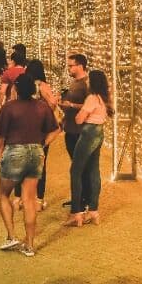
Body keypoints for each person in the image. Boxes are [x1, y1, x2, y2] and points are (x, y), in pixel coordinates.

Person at [0, 73, 59, 257]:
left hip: (15, 151)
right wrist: (42, 144)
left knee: (3, 193)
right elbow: (56, 129)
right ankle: (29, 244)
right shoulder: (42, 108)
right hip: (36, 152)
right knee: (29, 199)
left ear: (17, 89)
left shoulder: (9, 108)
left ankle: (11, 235)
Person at [63, 69, 113, 227]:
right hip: (99, 132)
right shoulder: (104, 98)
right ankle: (93, 210)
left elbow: (79, 119)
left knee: (75, 171)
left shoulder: (91, 98)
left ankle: (76, 212)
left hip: (88, 132)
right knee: (93, 170)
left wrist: (75, 112)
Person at [14, 59, 59, 211]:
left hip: (21, 126)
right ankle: (38, 199)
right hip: (40, 127)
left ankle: (18, 197)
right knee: (40, 163)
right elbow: (52, 103)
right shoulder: (42, 86)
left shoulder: (21, 84)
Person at [57, 53, 89, 209]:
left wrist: (71, 106)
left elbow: (92, 107)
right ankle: (79, 197)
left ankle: (82, 200)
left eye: (71, 65)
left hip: (79, 131)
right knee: (76, 165)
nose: (68, 68)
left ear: (80, 66)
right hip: (70, 128)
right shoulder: (74, 82)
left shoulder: (86, 84)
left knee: (80, 167)